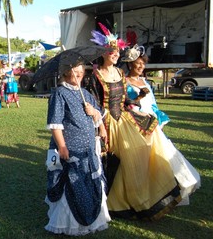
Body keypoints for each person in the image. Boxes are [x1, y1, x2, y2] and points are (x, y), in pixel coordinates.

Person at [87, 22, 182, 220]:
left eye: (117, 51)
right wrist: (100, 126)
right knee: (123, 160)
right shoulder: (95, 75)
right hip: (108, 122)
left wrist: (138, 102)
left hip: (124, 117)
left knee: (144, 146)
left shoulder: (120, 73)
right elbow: (93, 102)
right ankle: (118, 201)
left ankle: (138, 197)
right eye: (111, 51)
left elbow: (123, 99)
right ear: (104, 52)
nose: (114, 54)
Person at [122, 45, 201, 204]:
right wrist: (138, 102)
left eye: (143, 64)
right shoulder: (124, 82)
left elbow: (153, 103)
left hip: (153, 121)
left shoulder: (144, 80)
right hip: (137, 121)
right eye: (138, 64)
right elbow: (126, 104)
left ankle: (172, 187)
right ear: (130, 64)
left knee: (163, 153)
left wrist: (158, 117)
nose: (141, 66)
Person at [45, 58, 109, 236]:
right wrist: (62, 146)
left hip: (88, 148)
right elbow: (55, 123)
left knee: (90, 179)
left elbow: (98, 116)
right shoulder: (59, 93)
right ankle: (69, 223)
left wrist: (97, 118)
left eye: (80, 70)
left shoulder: (86, 94)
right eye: (74, 69)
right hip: (70, 148)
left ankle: (92, 216)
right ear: (66, 73)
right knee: (72, 182)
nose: (78, 73)